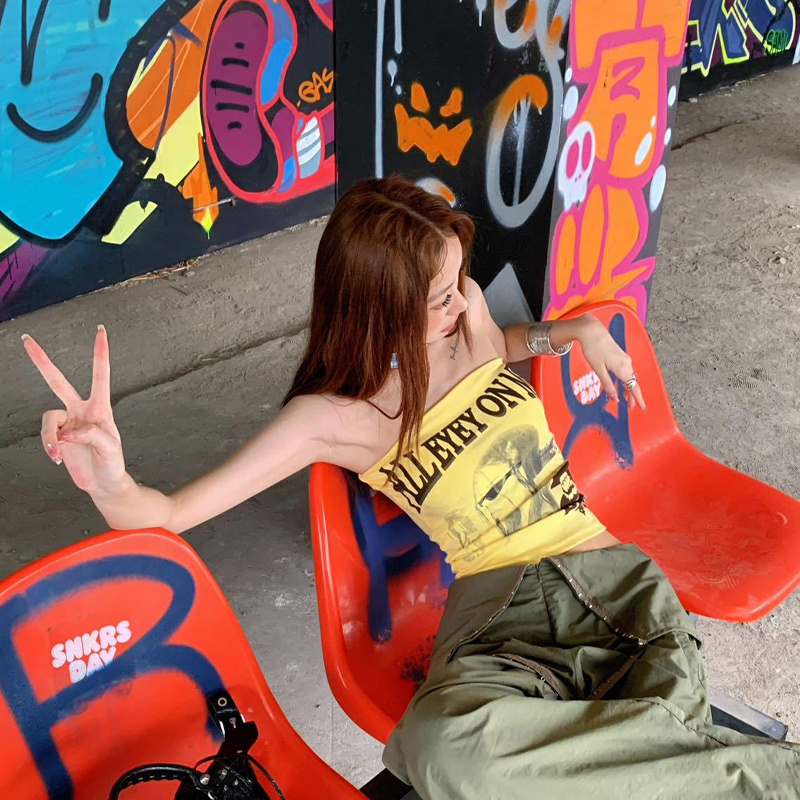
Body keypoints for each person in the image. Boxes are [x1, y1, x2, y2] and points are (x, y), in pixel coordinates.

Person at [23, 176, 799, 798]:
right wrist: (109, 476)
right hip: (499, 625)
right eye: (440, 295)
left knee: (648, 722)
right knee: (440, 748)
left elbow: (505, 344)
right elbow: (164, 514)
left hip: (609, 583)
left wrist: (574, 331)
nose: (462, 303)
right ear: (378, 303)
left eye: (459, 282)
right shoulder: (336, 418)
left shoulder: (467, 325)